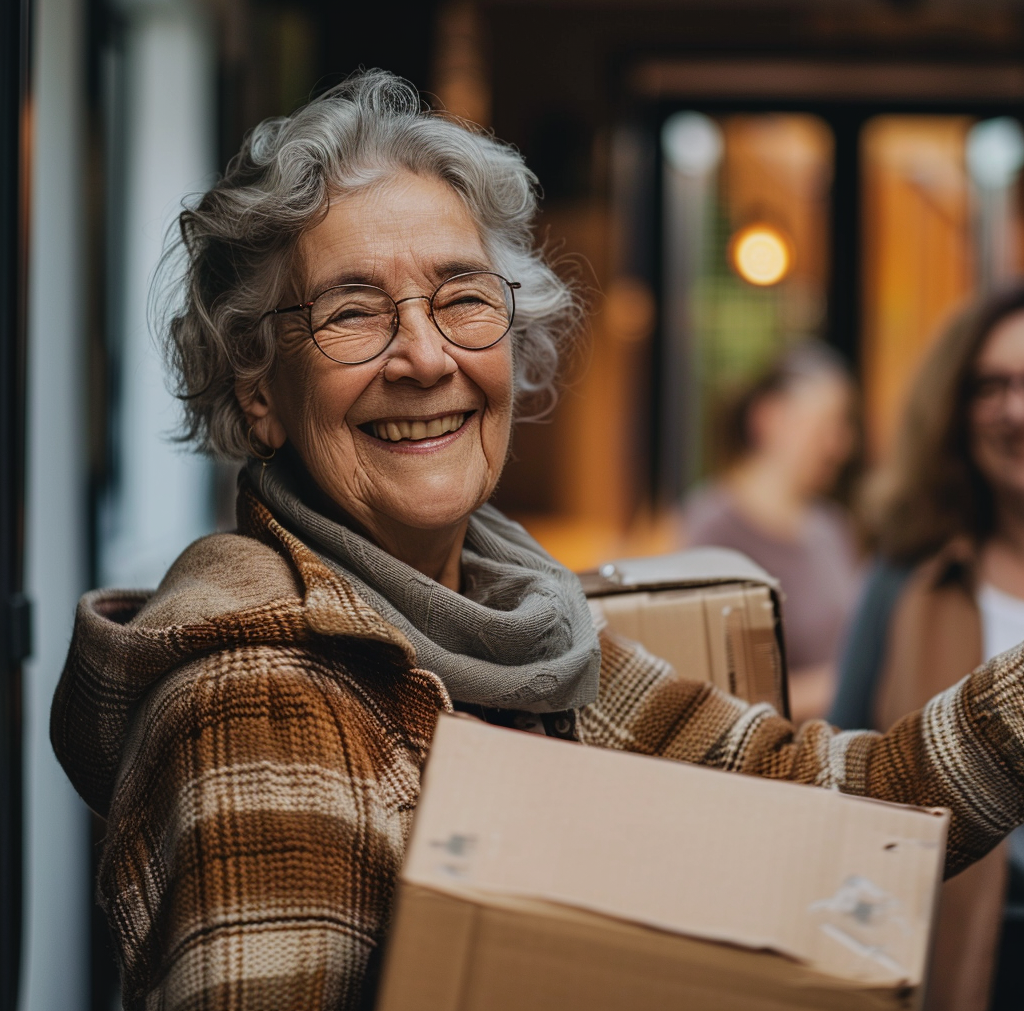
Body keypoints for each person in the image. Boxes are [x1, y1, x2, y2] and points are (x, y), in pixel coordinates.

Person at [49, 72, 1024, 1011]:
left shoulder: (523, 627)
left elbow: (843, 808)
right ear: (259, 391)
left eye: (463, 297)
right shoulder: (257, 704)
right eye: (351, 311)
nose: (425, 356)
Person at [831, 283, 1024, 1011]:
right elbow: (844, 762)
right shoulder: (905, 579)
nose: (1014, 410)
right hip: (942, 958)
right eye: (990, 386)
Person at [684, 342, 860, 722]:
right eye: (826, 425)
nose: (840, 445)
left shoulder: (831, 528)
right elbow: (711, 696)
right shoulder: (713, 529)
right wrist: (844, 683)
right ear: (769, 418)